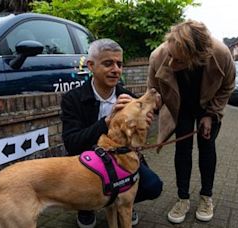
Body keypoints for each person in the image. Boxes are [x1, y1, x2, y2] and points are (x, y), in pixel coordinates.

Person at [61, 38, 163, 228]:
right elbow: (72, 143)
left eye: (119, 64)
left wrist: (143, 126)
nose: (116, 69)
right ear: (91, 66)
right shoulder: (72, 99)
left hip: (120, 161)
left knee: (153, 186)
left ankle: (126, 203)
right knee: (83, 182)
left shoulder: (128, 97)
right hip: (87, 163)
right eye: (108, 63)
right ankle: (86, 207)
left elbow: (136, 143)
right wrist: (107, 121)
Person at [147, 20, 235, 223]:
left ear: (196, 57)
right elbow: (153, 91)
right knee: (182, 150)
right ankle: (183, 198)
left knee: (207, 147)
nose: (170, 63)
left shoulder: (221, 54)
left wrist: (211, 114)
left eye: (177, 60)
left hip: (208, 105)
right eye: (170, 55)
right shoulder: (158, 56)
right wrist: (149, 109)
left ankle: (206, 197)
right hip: (181, 109)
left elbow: (227, 86)